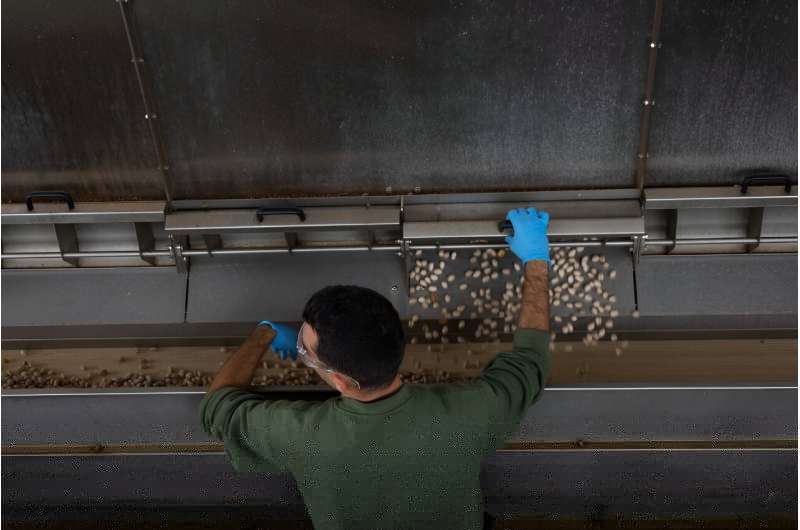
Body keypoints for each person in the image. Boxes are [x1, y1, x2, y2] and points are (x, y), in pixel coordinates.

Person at [200, 207, 552, 530]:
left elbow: (218, 407)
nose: (302, 352)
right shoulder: (469, 413)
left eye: (305, 352)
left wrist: (264, 334)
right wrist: (536, 258)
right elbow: (530, 362)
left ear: (339, 379)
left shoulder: (303, 436)